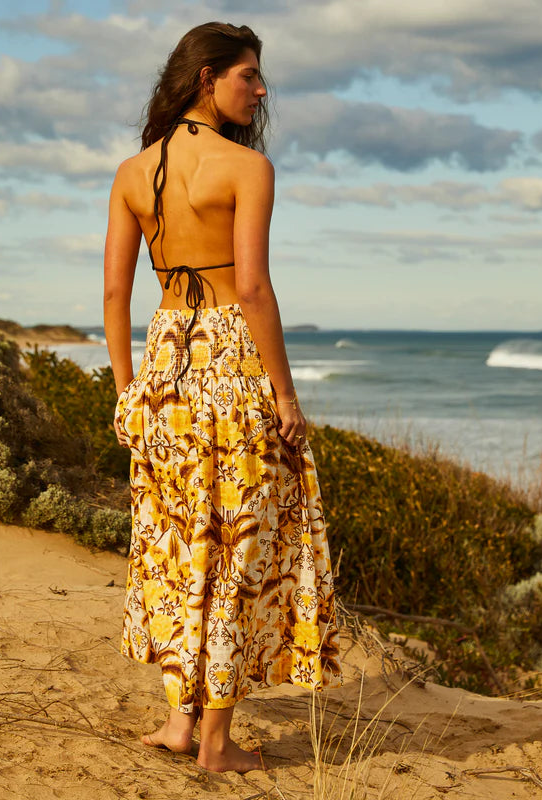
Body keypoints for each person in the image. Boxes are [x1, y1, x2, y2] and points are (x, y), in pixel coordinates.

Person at [104, 21, 340, 774]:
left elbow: (114, 291)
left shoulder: (133, 172)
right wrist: (288, 396)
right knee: (238, 549)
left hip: (163, 370)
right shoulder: (247, 167)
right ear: (207, 78)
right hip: (231, 367)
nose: (261, 89)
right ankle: (214, 743)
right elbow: (253, 290)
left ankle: (180, 723)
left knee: (181, 545)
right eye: (249, 75)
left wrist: (125, 392)